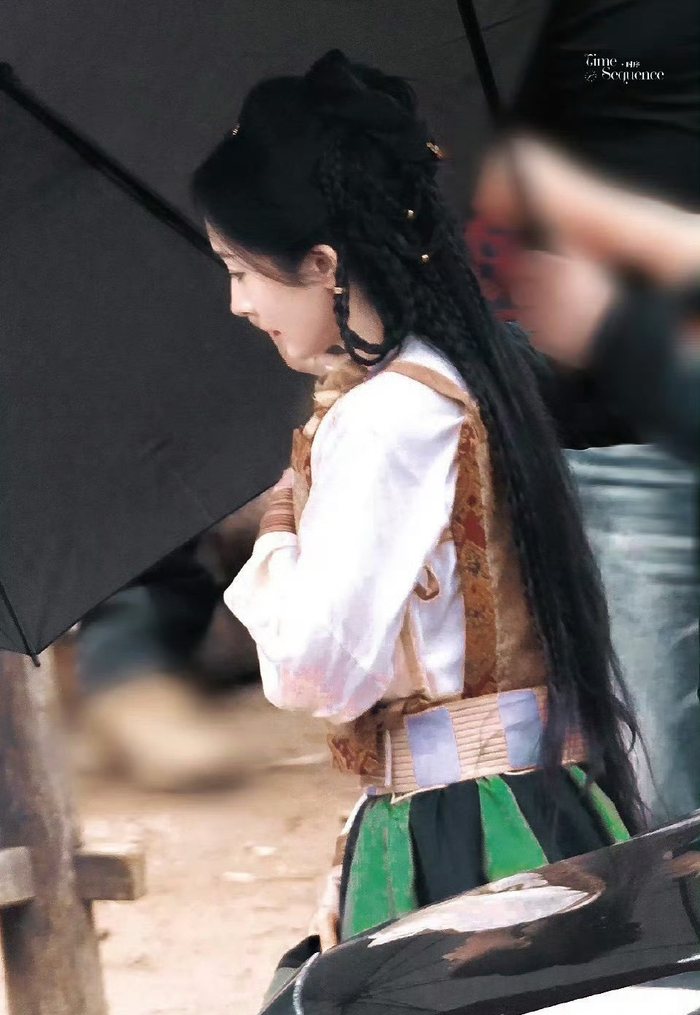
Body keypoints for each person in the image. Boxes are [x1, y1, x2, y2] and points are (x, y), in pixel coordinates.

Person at [191, 50, 643, 968]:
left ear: (323, 264)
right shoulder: (461, 375)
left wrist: (276, 537)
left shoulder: (385, 417)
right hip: (543, 804)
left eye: (241, 270)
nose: (237, 303)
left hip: (459, 835)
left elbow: (318, 672)